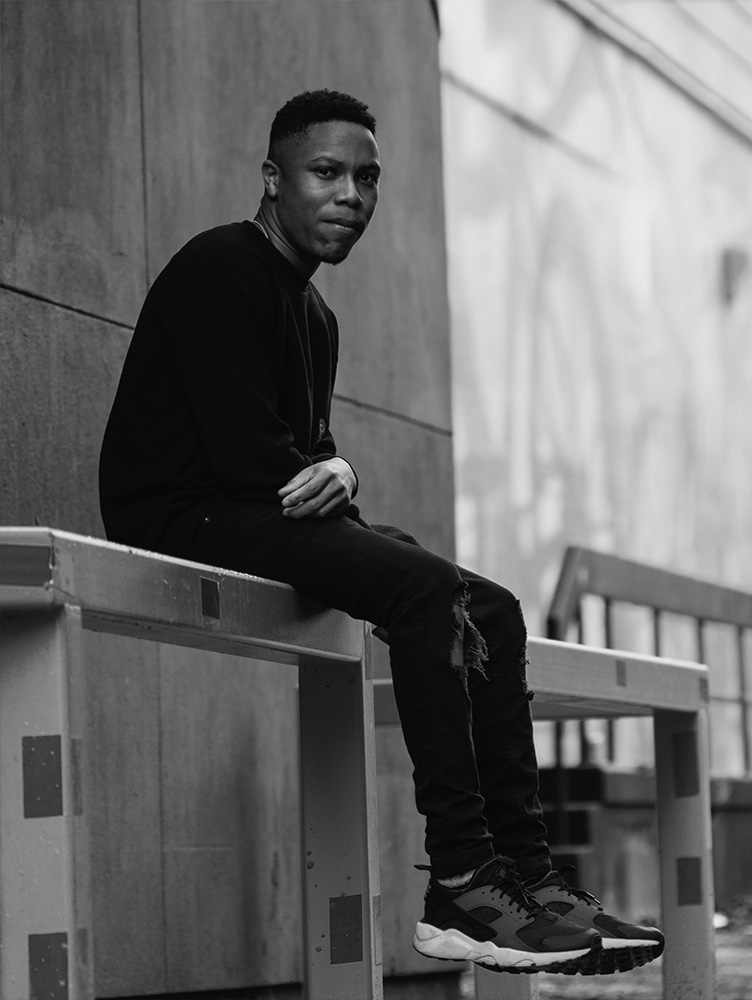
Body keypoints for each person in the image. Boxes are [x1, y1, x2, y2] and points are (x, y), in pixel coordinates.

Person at [99, 89, 664, 977]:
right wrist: (334, 475)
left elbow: (311, 465)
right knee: (423, 587)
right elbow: (256, 460)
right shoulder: (221, 267)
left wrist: (343, 474)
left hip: (250, 508)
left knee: (492, 608)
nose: (350, 195)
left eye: (366, 178)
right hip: (177, 511)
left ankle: (528, 875)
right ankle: (462, 884)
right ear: (273, 178)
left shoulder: (315, 316)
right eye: (326, 172)